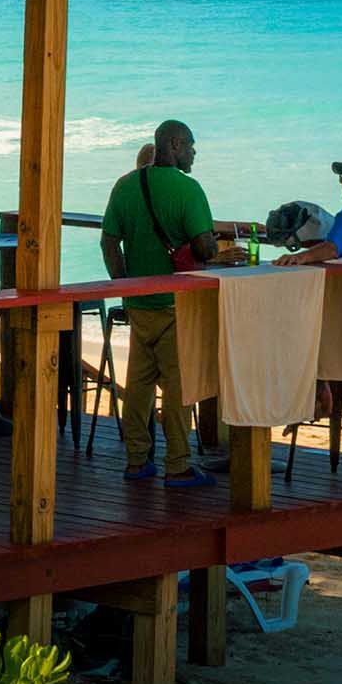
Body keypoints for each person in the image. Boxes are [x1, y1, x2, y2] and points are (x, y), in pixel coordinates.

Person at [100, 119, 222, 488]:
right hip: (175, 302)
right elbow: (203, 246)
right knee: (177, 387)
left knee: (138, 383)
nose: (194, 153)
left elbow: (108, 243)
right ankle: (178, 463)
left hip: (139, 302)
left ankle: (138, 459)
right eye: (191, 146)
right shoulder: (188, 190)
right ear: (174, 144)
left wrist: (127, 284)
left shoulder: (126, 185)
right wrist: (214, 247)